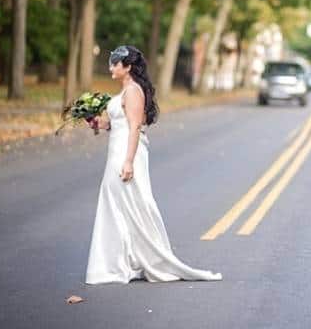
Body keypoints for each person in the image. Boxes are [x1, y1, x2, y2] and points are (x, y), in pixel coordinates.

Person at [85, 45, 222, 284]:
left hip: (128, 154)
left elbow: (135, 127)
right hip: (117, 152)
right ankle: (121, 261)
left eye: (114, 63)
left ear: (127, 67)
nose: (110, 67)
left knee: (136, 204)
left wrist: (128, 162)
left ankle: (145, 260)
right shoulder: (124, 92)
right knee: (116, 204)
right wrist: (96, 123)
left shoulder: (134, 92)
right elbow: (115, 125)